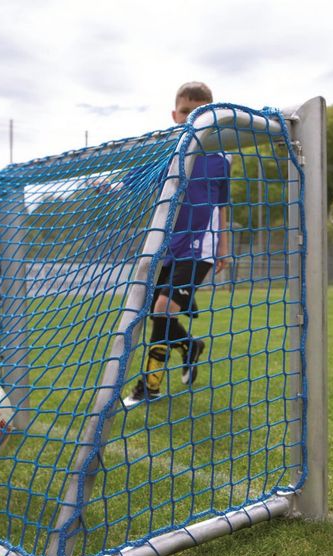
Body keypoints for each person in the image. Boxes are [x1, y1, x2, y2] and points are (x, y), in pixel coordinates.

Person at [121, 81, 232, 405]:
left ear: (211, 116)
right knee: (158, 314)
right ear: (175, 114)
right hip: (168, 246)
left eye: (200, 113)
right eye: (186, 112)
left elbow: (222, 205)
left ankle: (149, 387)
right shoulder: (167, 152)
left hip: (202, 246)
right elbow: (135, 179)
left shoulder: (220, 156)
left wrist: (223, 247)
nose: (191, 119)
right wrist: (109, 185)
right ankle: (188, 345)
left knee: (161, 309)